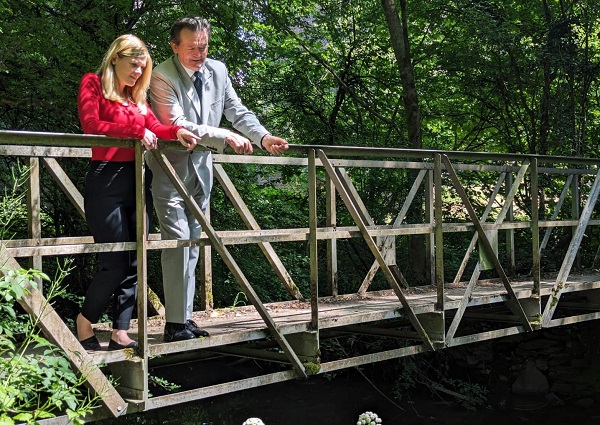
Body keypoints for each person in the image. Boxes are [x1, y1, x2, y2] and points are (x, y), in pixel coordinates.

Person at [146, 15, 289, 342]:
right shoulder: (162, 76)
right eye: (192, 47)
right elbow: (178, 122)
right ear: (174, 46)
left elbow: (237, 111)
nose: (200, 53)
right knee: (178, 241)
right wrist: (224, 136)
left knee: (194, 244)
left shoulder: (219, 71)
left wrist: (264, 138)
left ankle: (183, 317)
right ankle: (173, 325)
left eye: (204, 46)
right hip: (169, 168)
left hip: (203, 170)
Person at [76, 34, 199, 351]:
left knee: (134, 261)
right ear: (115, 58)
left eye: (141, 68)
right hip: (105, 180)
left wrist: (178, 131)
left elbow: (156, 128)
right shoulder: (93, 84)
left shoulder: (136, 99)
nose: (136, 73)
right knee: (114, 262)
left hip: (135, 180)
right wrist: (136, 131)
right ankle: (84, 320)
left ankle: (120, 331)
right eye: (133, 65)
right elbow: (91, 125)